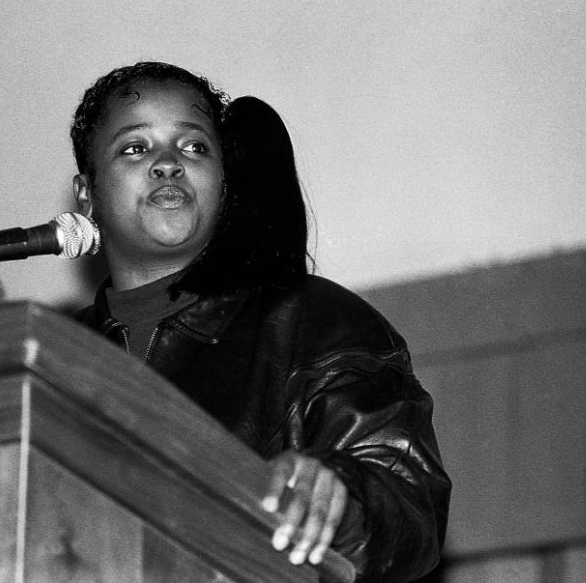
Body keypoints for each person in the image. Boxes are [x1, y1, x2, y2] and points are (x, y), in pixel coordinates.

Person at [70, 61, 450, 582]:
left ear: (225, 184)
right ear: (85, 195)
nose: (168, 164)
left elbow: (410, 506)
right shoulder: (54, 357)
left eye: (194, 147)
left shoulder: (317, 323)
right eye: (135, 148)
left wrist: (341, 493)